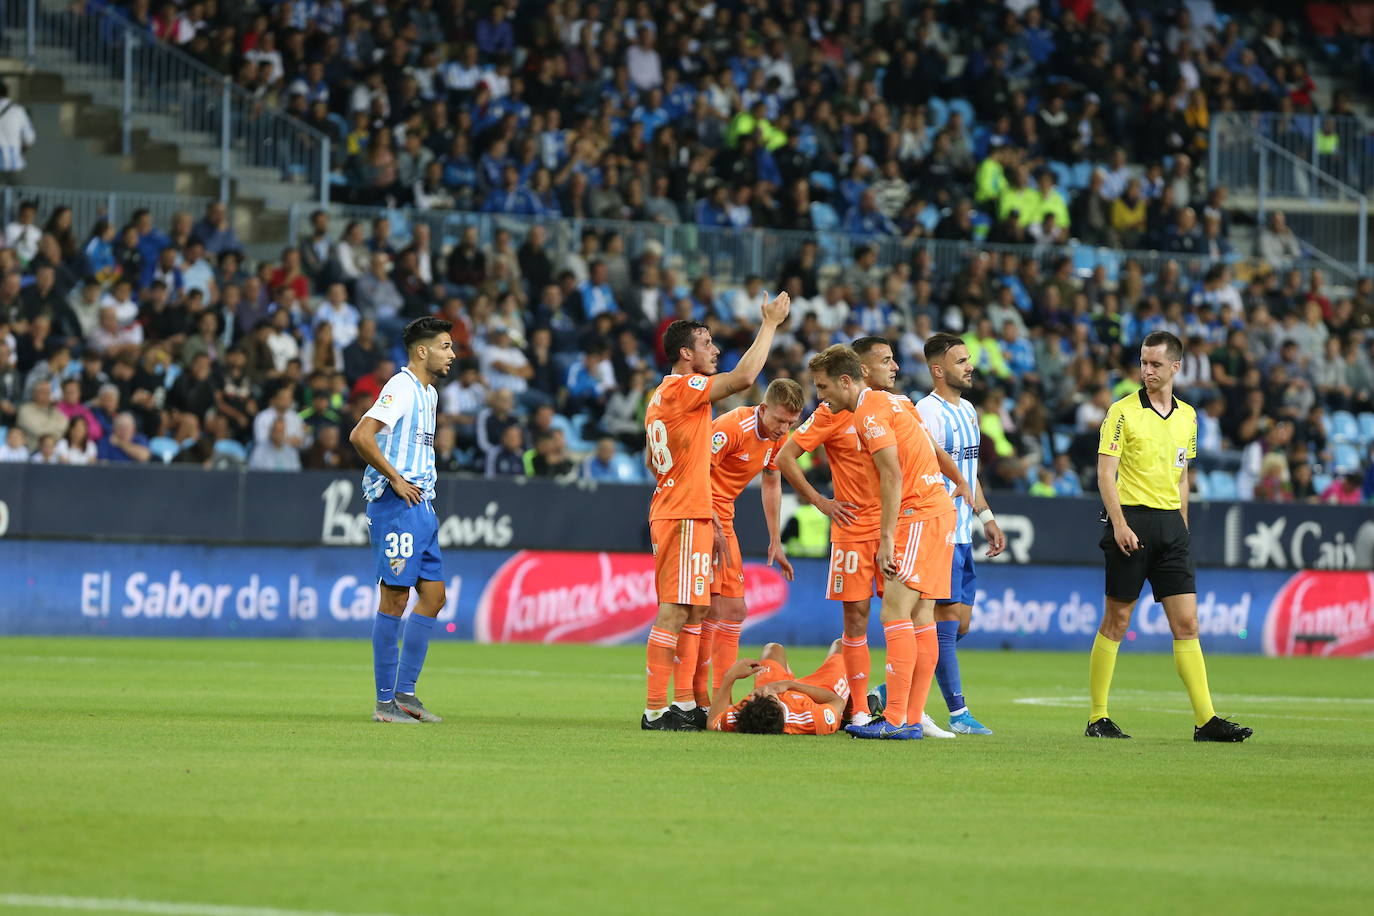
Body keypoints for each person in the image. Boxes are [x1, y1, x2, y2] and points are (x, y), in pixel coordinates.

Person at [775, 336, 971, 729]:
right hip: (860, 528)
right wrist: (822, 502)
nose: (894, 366)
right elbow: (784, 458)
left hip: (900, 523)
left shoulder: (886, 406)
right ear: (862, 370)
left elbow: (903, 466)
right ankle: (867, 709)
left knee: (910, 613)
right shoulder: (837, 413)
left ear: (850, 378)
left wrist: (965, 488)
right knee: (869, 617)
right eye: (886, 360)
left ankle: (903, 717)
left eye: (823, 386)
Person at [640, 290, 791, 732]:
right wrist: (769, 325)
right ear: (686, 355)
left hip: (687, 509)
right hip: (683, 512)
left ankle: (685, 701)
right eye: (708, 345)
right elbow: (743, 378)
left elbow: (658, 459)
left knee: (696, 611)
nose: (716, 351)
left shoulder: (660, 396)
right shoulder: (684, 387)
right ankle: (654, 711)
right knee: (675, 609)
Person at [1091, 330, 1251, 742]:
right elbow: (1105, 473)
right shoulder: (1121, 412)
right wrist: (1120, 523)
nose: (1147, 371)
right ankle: (1098, 716)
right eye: (1143, 363)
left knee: (1188, 622)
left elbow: (1183, 475)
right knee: (1117, 619)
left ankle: (1206, 720)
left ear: (1175, 367)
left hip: (1171, 529)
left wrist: (1183, 522)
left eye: (1155, 364)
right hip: (1131, 523)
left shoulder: (1188, 416)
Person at [349, 316, 456, 725]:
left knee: (434, 597)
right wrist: (395, 478)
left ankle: (406, 694)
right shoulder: (401, 387)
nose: (452, 354)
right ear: (422, 350)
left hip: (422, 505)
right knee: (394, 597)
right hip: (396, 504)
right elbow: (361, 435)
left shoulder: (429, 394)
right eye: (445, 346)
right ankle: (384, 703)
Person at [910, 333, 1007, 736]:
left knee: (959, 625)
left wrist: (986, 516)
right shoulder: (925, 412)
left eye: (969, 359)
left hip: (966, 530)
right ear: (938, 370)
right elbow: (921, 467)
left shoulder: (968, 411)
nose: (970, 366)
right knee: (945, 620)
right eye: (961, 361)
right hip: (940, 529)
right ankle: (958, 713)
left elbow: (969, 473)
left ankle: (892, 687)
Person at [695, 378, 805, 707]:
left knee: (734, 609)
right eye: (780, 420)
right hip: (701, 513)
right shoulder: (730, 428)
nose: (783, 428)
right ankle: (701, 698)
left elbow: (771, 480)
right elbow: (698, 473)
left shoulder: (777, 437)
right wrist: (709, 521)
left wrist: (775, 538)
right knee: (711, 609)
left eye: (790, 422)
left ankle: (715, 697)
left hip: (723, 518)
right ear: (763, 407)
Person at [707, 641, 850, 735]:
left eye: (754, 695)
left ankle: (785, 676)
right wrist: (790, 685)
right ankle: (856, 712)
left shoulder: (746, 716)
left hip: (776, 686)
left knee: (773, 648)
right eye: (767, 695)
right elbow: (837, 701)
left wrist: (730, 677)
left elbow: (712, 723)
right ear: (780, 707)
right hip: (815, 693)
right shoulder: (810, 719)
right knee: (843, 646)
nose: (762, 691)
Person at [0, 81, 36, 186]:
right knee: (13, 197)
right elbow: (30, 139)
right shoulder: (19, 111)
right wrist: (20, 152)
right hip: (14, 163)